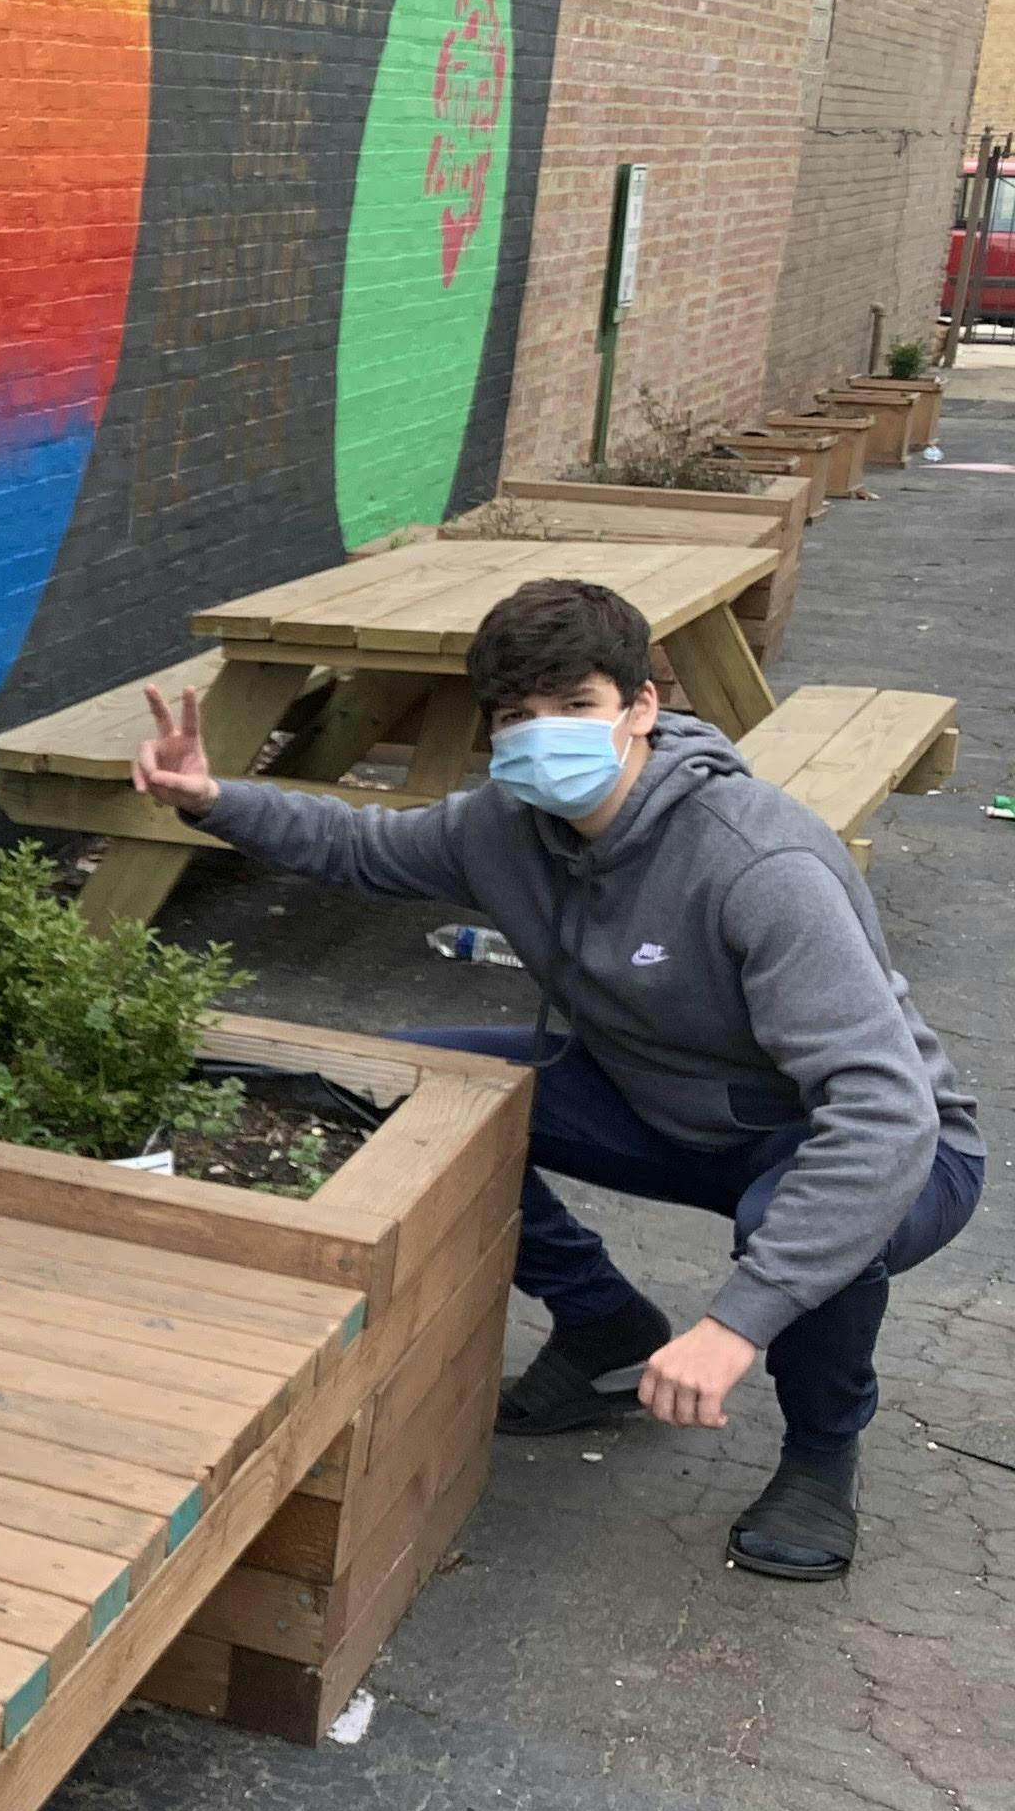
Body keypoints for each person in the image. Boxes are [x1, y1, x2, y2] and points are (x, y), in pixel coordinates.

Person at [129, 576, 981, 1582]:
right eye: (516, 717)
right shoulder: (506, 828)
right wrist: (213, 798)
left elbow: (881, 1117)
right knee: (409, 1086)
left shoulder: (758, 862)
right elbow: (360, 846)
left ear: (642, 709)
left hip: (890, 1144)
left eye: (575, 706)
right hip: (658, 1103)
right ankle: (604, 1324)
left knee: (794, 1221)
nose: (544, 736)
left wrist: (736, 1321)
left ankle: (820, 1456)